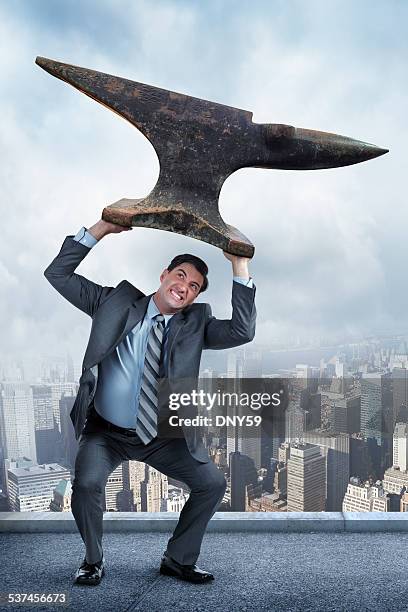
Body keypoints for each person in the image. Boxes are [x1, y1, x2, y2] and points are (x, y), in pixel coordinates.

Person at [44, 218, 256, 586]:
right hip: (106, 433)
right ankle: (93, 559)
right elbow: (58, 274)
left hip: (162, 437)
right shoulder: (113, 302)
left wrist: (239, 265)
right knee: (88, 484)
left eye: (194, 287)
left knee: (211, 484)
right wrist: (101, 229)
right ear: (164, 274)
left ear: (195, 297)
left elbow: (242, 330)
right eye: (180, 276)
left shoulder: (196, 324)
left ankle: (178, 559)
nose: (184, 288)